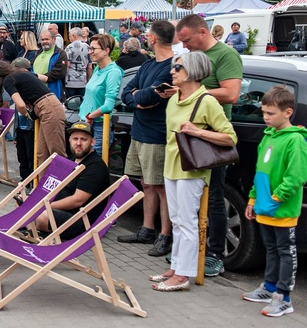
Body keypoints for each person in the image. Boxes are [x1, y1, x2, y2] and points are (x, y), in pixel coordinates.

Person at [150, 51, 236, 292]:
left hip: (192, 168)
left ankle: (183, 274)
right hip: (171, 165)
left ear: (193, 72)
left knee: (187, 221)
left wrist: (197, 132)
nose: (172, 72)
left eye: (177, 68)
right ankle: (176, 267)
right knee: (177, 220)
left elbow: (230, 137)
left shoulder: (206, 100)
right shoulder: (175, 97)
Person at [175, 13, 243, 277]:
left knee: (214, 196)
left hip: (212, 138)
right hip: (189, 136)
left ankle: (214, 254)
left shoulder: (226, 55)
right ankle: (189, 254)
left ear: (202, 32)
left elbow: (231, 93)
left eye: (187, 39)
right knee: (190, 198)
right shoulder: (191, 57)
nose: (185, 45)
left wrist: (192, 91)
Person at [242, 86, 307, 317]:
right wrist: (252, 198)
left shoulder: (295, 141)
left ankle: (283, 297)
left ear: (288, 112)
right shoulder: (268, 136)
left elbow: (296, 177)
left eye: (270, 114)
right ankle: (269, 287)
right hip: (264, 206)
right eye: (264, 113)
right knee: (270, 248)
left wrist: (275, 197)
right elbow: (260, 172)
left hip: (282, 209)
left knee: (285, 251)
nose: (265, 118)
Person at [117, 20, 176, 256]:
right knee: (145, 182)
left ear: (153, 38)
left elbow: (150, 97)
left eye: (147, 35)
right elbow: (127, 94)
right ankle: (147, 229)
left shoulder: (171, 66)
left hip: (156, 133)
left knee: (160, 186)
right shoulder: (148, 64)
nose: (145, 38)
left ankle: (165, 234)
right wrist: (137, 98)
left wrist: (139, 98)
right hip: (139, 131)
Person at [33, 121, 110, 240]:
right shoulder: (72, 159)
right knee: (23, 202)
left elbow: (77, 200)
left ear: (93, 142)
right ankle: (33, 231)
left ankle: (36, 233)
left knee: (41, 216)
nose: (78, 143)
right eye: (75, 139)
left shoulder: (95, 167)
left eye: (83, 139)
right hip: (64, 211)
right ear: (69, 140)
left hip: (82, 220)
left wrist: (44, 206)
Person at [0, 60, 65, 166]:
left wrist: (27, 114)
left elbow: (20, 105)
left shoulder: (8, 80)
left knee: (56, 152)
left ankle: (65, 181)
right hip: (49, 105)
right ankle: (42, 182)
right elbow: (45, 78)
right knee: (42, 153)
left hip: (47, 107)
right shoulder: (20, 73)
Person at [79, 34, 124, 156]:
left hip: (99, 127)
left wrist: (90, 117)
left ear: (106, 50)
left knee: (94, 166)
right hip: (88, 123)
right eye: (90, 48)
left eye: (93, 49)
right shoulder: (97, 69)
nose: (90, 52)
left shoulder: (113, 72)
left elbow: (108, 106)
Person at [11, 58, 37, 180]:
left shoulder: (32, 85)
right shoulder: (16, 86)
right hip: (20, 127)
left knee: (31, 156)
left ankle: (32, 181)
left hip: (31, 128)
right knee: (22, 157)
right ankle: (24, 180)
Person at [34, 29, 67, 100]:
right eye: (42, 40)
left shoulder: (60, 53)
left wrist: (38, 77)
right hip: (36, 92)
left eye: (47, 39)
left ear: (54, 39)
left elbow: (59, 72)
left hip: (53, 93)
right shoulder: (37, 53)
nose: (44, 41)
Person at [64, 27, 90, 99]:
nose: (69, 38)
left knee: (70, 103)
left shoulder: (70, 47)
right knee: (81, 103)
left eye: (69, 36)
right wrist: (88, 81)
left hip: (70, 82)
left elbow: (67, 65)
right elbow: (89, 67)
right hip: (83, 81)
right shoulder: (88, 47)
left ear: (73, 36)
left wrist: (62, 79)